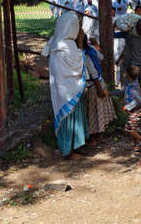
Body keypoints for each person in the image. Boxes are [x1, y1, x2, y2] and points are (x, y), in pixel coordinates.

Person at [43, 12, 89, 159]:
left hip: (64, 92)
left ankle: (76, 146)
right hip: (70, 91)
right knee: (71, 117)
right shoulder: (68, 45)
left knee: (69, 117)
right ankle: (71, 151)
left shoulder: (55, 43)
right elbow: (80, 64)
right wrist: (81, 43)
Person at [83, 35, 117, 146]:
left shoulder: (84, 55)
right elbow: (101, 57)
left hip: (94, 85)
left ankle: (93, 138)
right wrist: (96, 45)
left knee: (92, 112)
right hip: (99, 83)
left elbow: (93, 74)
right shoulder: (91, 49)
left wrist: (99, 89)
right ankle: (100, 136)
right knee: (100, 111)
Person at [122, 65, 141, 152]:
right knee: (133, 128)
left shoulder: (134, 86)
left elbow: (138, 100)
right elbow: (121, 91)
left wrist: (127, 107)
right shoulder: (128, 82)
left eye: (125, 72)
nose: (124, 73)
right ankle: (137, 146)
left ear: (128, 75)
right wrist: (109, 93)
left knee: (129, 129)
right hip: (132, 111)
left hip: (136, 111)